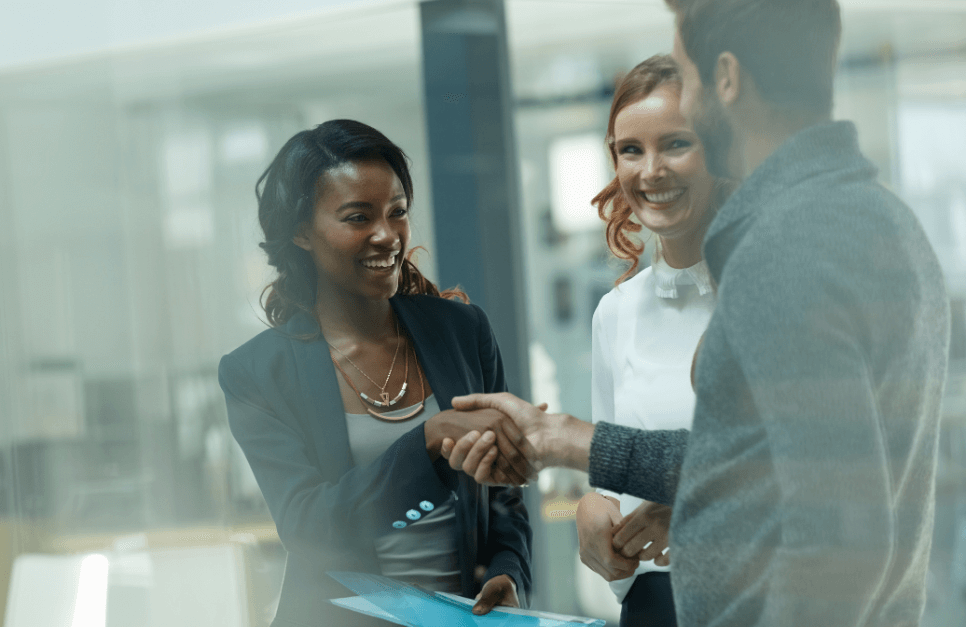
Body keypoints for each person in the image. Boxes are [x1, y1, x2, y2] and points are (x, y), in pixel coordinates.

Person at [445, 0, 950, 625]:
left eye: (687, 74)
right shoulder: (879, 222)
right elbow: (772, 468)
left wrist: (580, 447)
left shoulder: (789, 252)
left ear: (727, 78)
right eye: (630, 149)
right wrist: (572, 454)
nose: (653, 166)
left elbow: (836, 534)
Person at [218, 119, 536, 627]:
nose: (387, 235)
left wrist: (508, 570)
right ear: (301, 232)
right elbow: (310, 528)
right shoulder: (257, 373)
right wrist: (427, 439)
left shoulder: (462, 331)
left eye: (397, 212)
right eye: (357, 217)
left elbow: (503, 497)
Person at [572, 54, 731, 627]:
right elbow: (609, 482)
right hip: (654, 606)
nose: (651, 171)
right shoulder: (616, 314)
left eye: (676, 144)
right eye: (631, 150)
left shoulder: (771, 295)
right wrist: (592, 510)